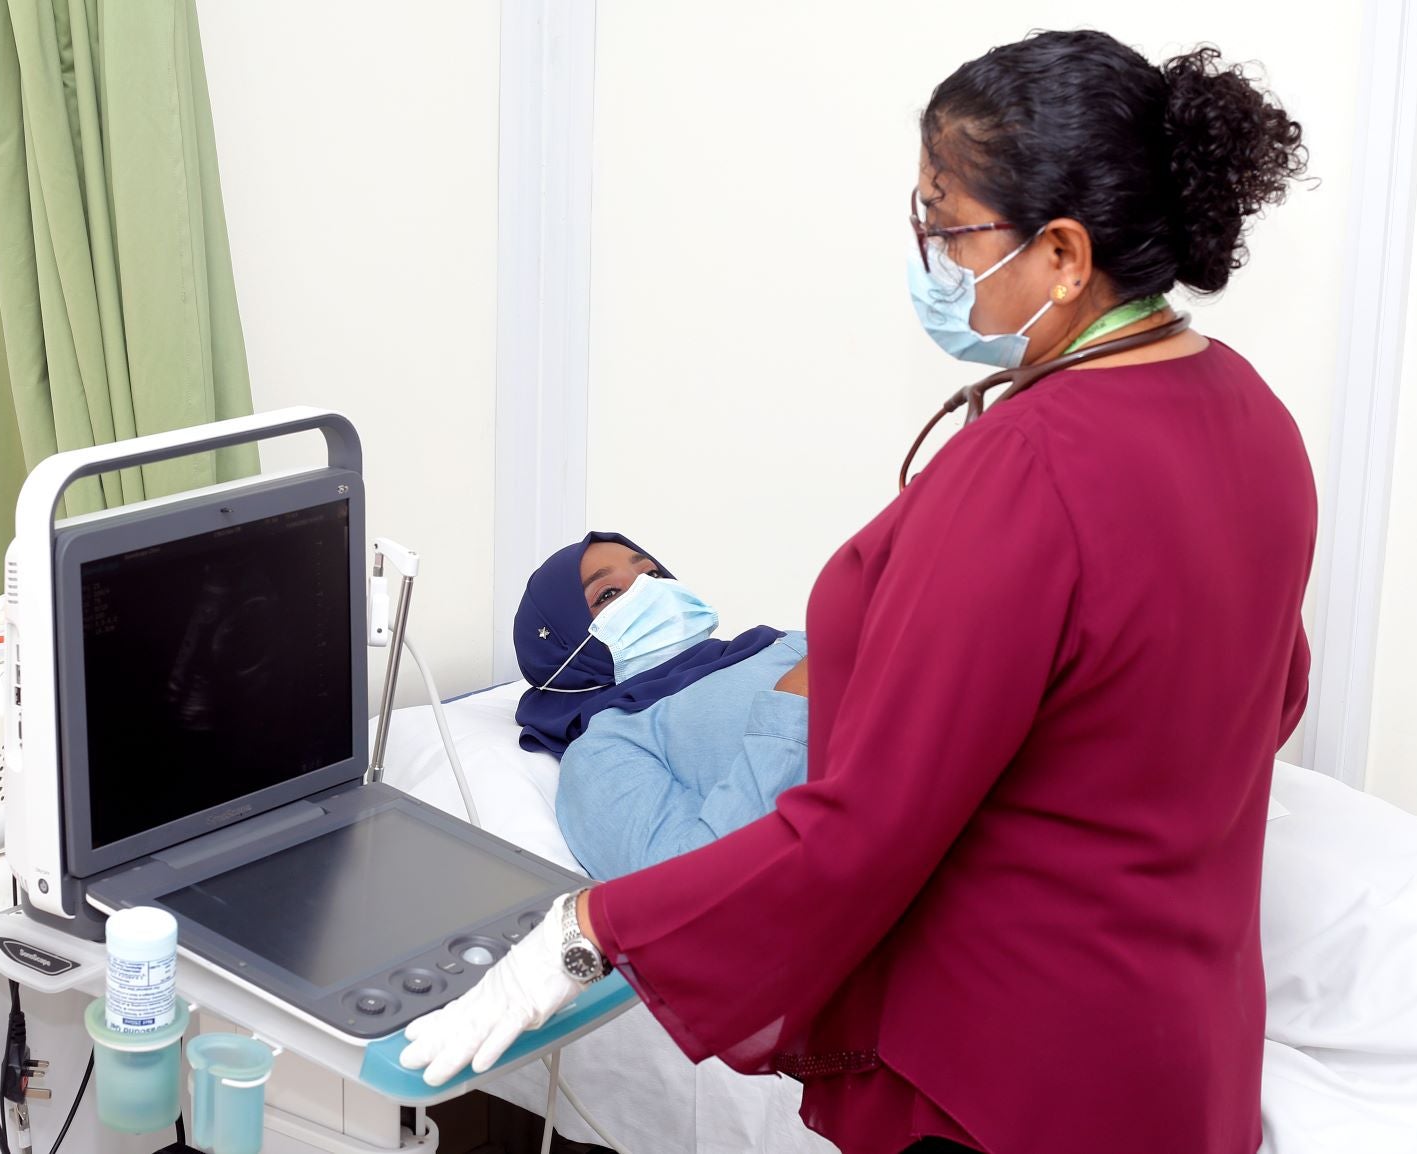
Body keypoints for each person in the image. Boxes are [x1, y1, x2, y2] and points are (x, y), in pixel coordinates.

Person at [404, 29, 1315, 1154]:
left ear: (1065, 256)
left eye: (947, 224)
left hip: (1010, 1076)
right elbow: (1267, 702)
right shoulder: (1252, 418)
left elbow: (860, 831)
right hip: (1180, 1053)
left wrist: (590, 924)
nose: (928, 252)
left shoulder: (1030, 470)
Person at [512, 531, 810, 878]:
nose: (651, 591)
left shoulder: (776, 642)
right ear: (565, 646)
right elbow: (685, 888)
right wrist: (792, 703)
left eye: (652, 575)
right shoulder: (605, 749)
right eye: (608, 593)